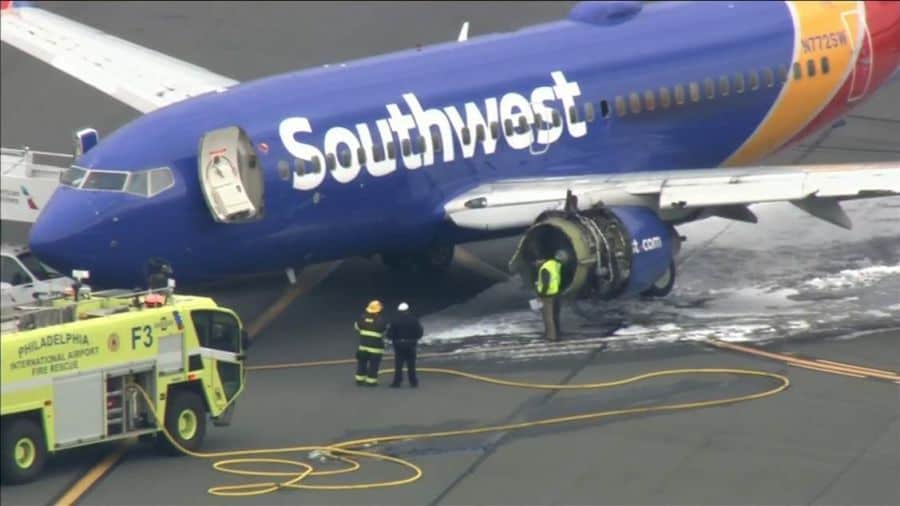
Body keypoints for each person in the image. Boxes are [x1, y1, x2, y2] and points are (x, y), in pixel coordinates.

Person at [388, 302, 423, 388]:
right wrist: (413, 339)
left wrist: (395, 340)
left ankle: (397, 382)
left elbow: (389, 334)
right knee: (411, 365)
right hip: (411, 345)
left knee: (398, 365)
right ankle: (413, 382)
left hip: (399, 345)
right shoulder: (414, 320)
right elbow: (419, 333)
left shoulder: (395, 321)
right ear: (408, 310)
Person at [354, 300, 388, 386]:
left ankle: (359, 380)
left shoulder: (362, 318)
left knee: (362, 364)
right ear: (378, 310)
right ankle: (371, 382)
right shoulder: (381, 321)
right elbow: (385, 331)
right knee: (373, 366)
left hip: (363, 347)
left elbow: (356, 327)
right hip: (376, 349)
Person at [535, 250, 567, 341]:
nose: (536, 263)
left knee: (547, 317)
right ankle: (557, 334)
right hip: (556, 294)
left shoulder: (545, 268)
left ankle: (551, 336)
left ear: (542, 260)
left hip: (547, 296)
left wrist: (541, 294)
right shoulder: (554, 264)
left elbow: (546, 283)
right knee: (555, 316)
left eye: (537, 261)